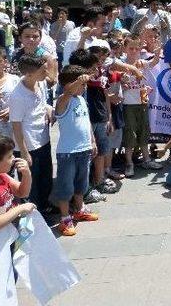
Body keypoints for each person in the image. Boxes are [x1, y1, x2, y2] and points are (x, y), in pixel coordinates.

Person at [53, 65, 99, 236]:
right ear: (69, 85)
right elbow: (67, 94)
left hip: (84, 149)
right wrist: (75, 83)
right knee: (65, 186)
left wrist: (92, 141)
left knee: (81, 184)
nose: (84, 87)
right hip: (68, 152)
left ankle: (79, 209)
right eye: (81, 84)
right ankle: (64, 218)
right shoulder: (63, 100)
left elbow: (86, 123)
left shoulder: (81, 99)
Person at [8, 55, 52, 212]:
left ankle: (45, 206)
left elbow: (41, 103)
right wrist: (24, 152)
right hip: (28, 145)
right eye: (42, 70)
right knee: (31, 183)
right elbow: (16, 125)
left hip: (43, 139)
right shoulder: (17, 96)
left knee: (45, 178)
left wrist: (48, 109)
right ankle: (33, 214)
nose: (46, 71)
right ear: (29, 74)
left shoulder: (40, 84)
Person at [120, 35, 163, 176]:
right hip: (128, 104)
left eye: (136, 48)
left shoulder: (141, 63)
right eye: (130, 48)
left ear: (140, 49)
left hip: (142, 102)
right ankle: (129, 163)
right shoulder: (121, 64)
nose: (133, 51)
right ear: (125, 49)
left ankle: (146, 159)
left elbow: (155, 62)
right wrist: (122, 83)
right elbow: (114, 82)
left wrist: (157, 51)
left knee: (144, 130)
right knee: (130, 133)